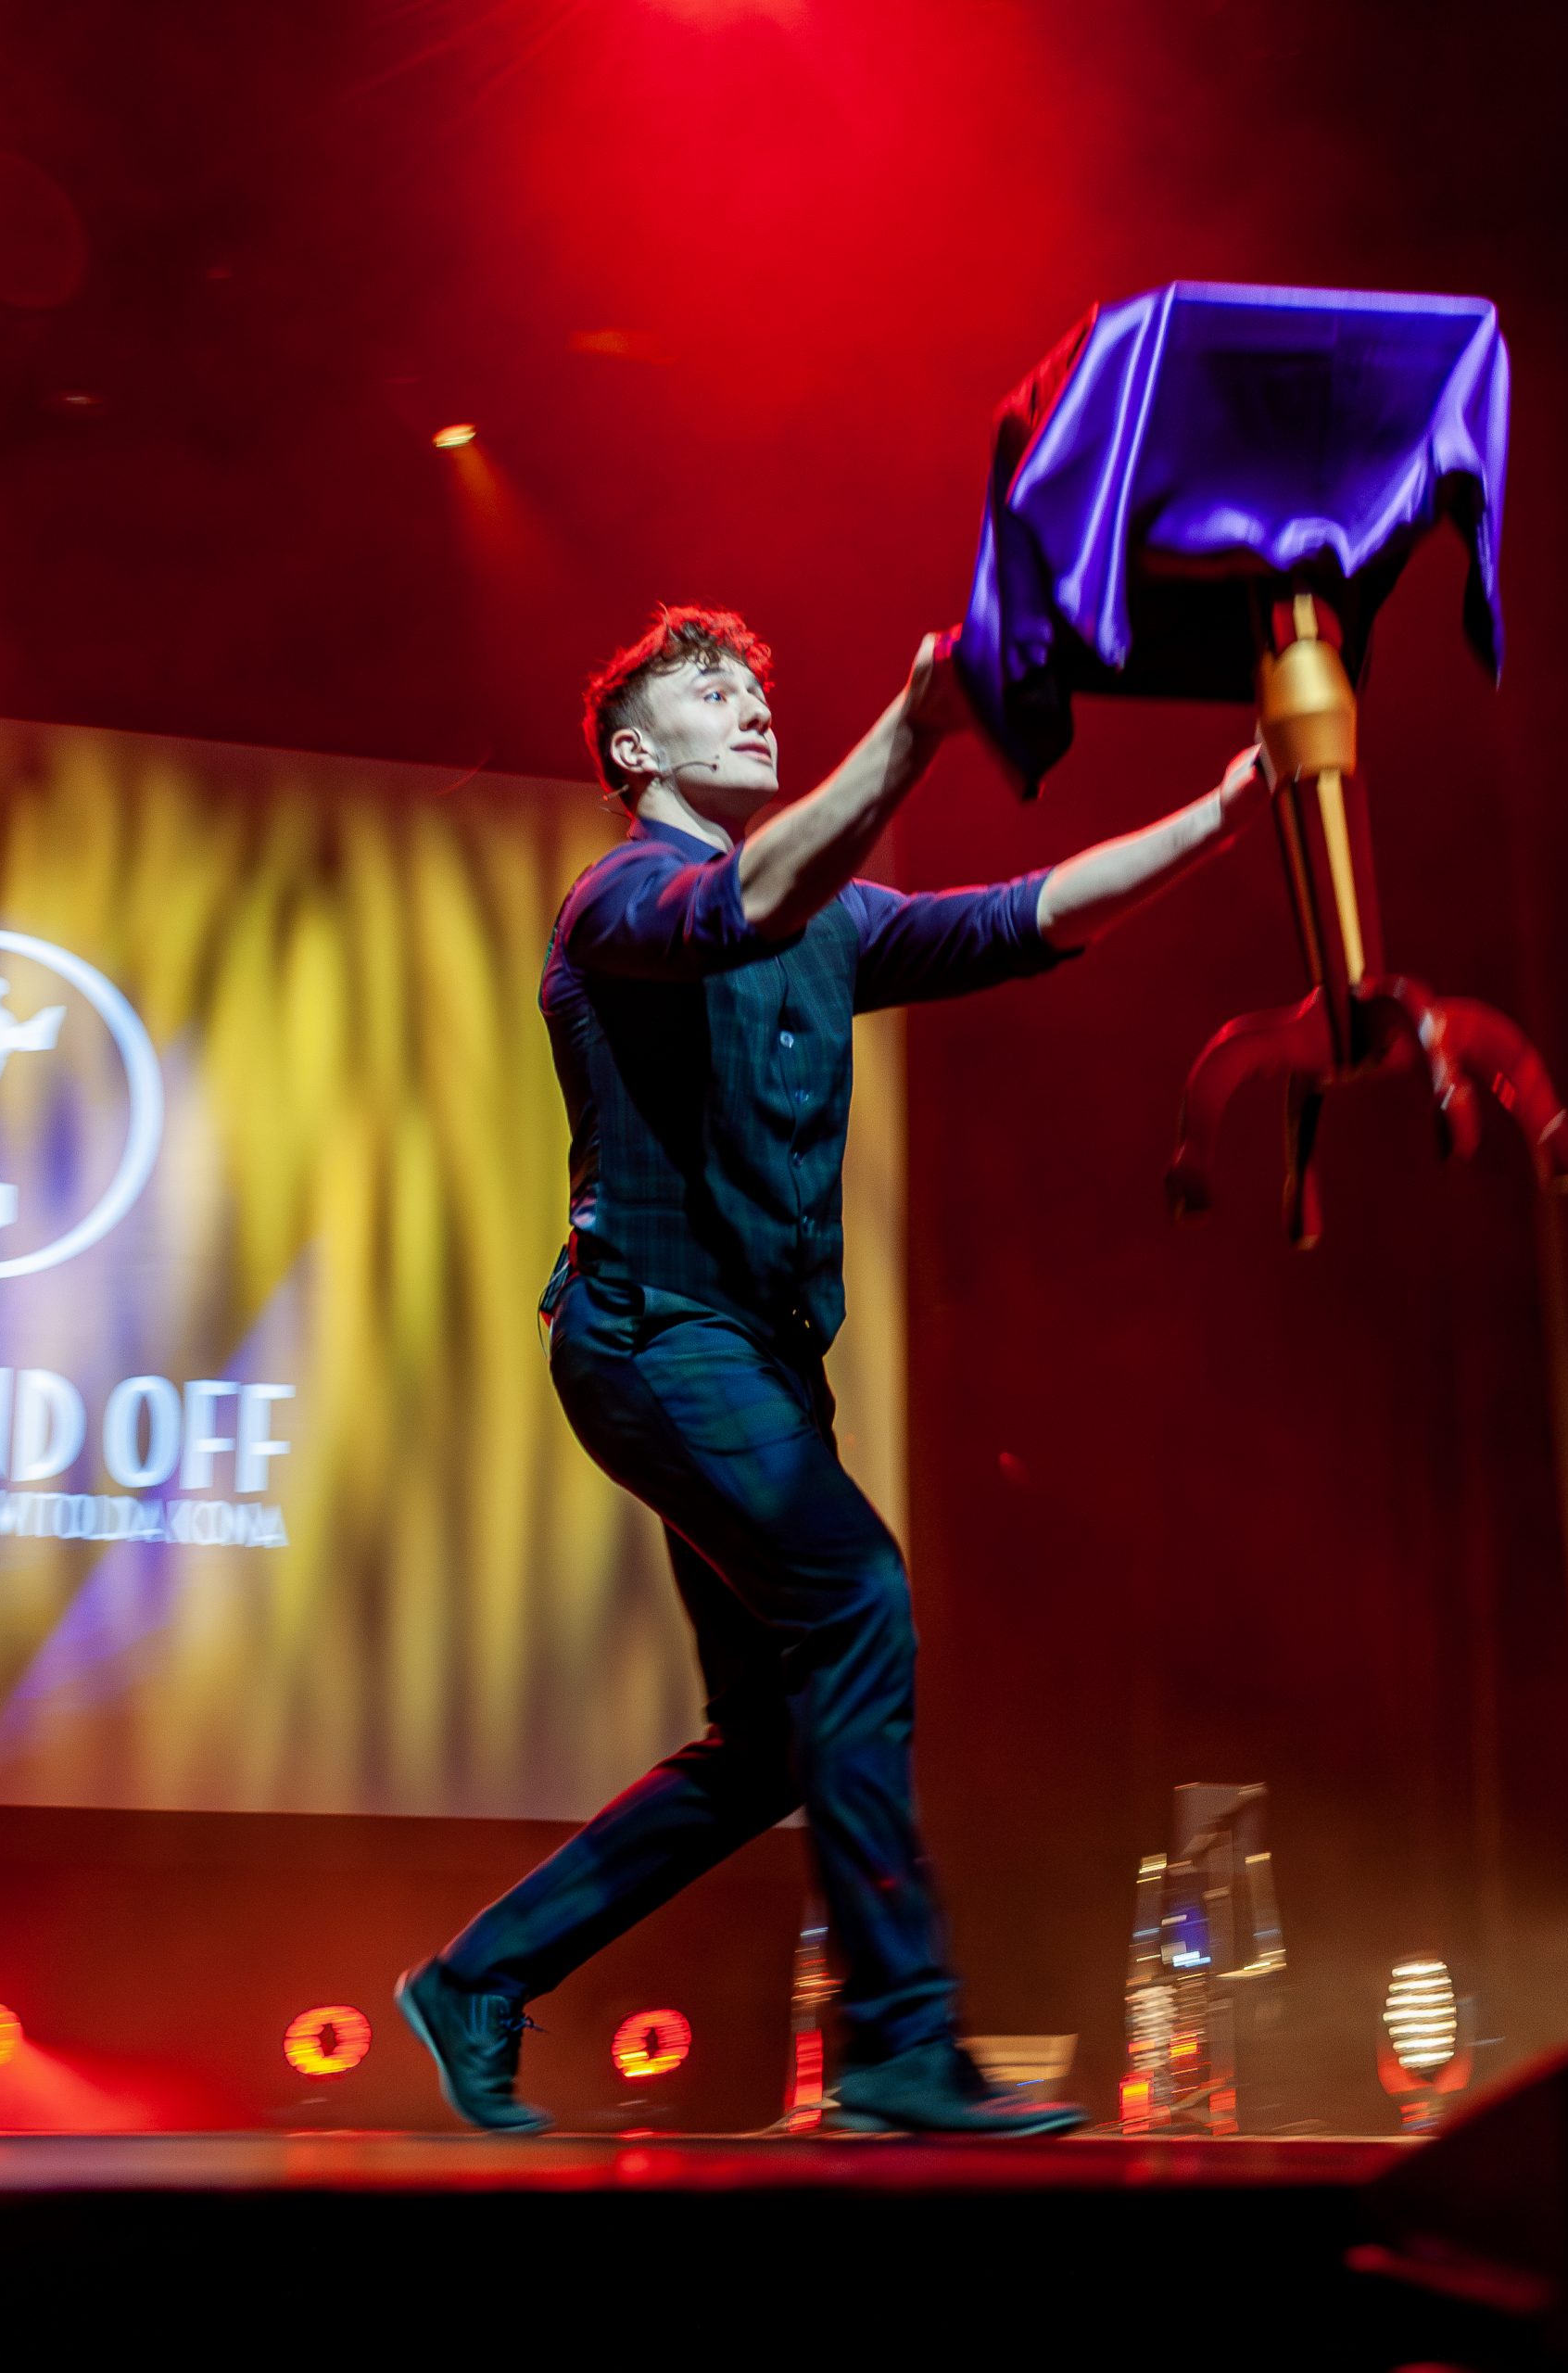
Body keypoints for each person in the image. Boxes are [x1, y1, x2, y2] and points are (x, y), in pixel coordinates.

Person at [398, 605, 1264, 2134]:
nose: (749, 702)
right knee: (857, 1600)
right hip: (654, 1336)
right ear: (633, 753)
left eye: (755, 684)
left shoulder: (831, 921)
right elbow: (742, 905)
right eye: (708, 689)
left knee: (770, 1746)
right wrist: (914, 729)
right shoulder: (621, 898)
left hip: (758, 1366)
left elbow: (1026, 920)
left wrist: (1221, 816)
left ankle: (480, 1977)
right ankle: (897, 2049)